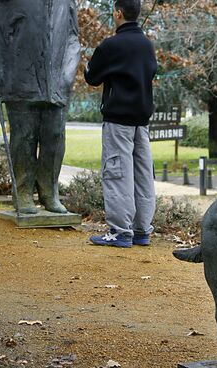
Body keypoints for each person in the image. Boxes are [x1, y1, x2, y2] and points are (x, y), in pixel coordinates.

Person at [0, 0, 80, 214]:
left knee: (55, 137)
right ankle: (23, 193)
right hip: (21, 79)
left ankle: (49, 192)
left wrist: (68, 72)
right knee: (23, 137)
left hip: (57, 81)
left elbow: (73, 37)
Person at [85, 0, 157, 248]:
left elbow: (92, 77)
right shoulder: (147, 45)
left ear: (118, 13)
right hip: (142, 121)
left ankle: (120, 230)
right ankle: (141, 230)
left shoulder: (111, 45)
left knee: (117, 173)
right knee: (143, 174)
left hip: (118, 120)